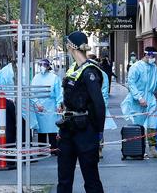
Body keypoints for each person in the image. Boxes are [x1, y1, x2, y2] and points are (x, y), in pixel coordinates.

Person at [57, 31, 105, 193]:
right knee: (64, 179)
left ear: (71, 47)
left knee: (91, 179)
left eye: (67, 44)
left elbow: (99, 105)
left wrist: (99, 133)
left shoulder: (90, 72)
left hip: (86, 131)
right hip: (68, 129)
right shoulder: (73, 69)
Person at [120, 46, 157, 158]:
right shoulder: (136, 67)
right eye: (152, 56)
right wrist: (139, 98)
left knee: (153, 123)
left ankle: (153, 149)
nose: (154, 58)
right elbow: (131, 84)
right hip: (138, 100)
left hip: (151, 98)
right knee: (138, 125)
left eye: (155, 56)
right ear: (146, 54)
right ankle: (138, 148)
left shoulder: (154, 67)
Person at [31, 59, 63, 153]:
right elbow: (32, 92)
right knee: (41, 130)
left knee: (53, 128)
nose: (42, 67)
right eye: (40, 65)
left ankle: (54, 148)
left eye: (44, 65)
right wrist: (37, 103)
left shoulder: (54, 77)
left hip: (51, 105)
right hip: (40, 106)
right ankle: (42, 149)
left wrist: (58, 104)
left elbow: (59, 93)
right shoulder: (35, 78)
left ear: (49, 66)